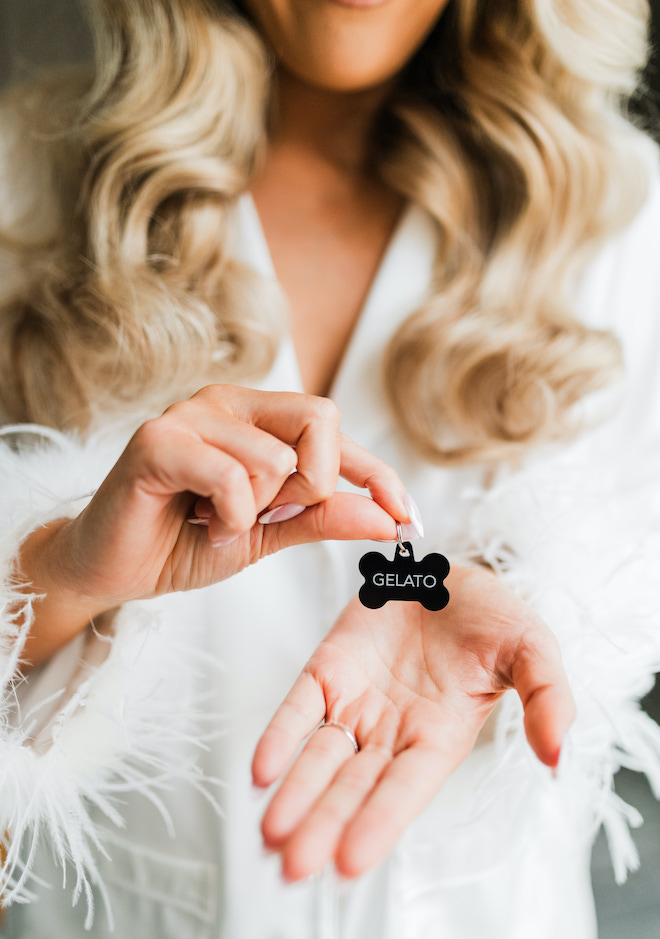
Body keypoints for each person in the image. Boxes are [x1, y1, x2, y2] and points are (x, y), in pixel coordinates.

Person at [0, 0, 659, 936]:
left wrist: (507, 591)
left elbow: (633, 591)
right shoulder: (24, 177)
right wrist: (60, 571)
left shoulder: (624, 209)